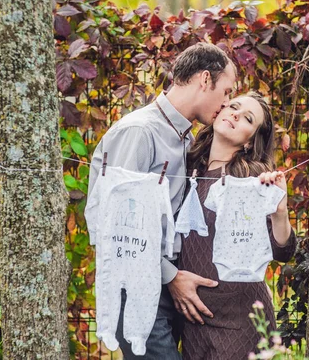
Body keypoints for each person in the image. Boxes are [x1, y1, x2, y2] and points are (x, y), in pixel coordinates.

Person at [86, 42, 237, 359]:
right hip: (137, 288)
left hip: (169, 285)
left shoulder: (186, 137)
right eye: (226, 92)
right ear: (205, 79)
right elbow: (116, 229)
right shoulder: (140, 132)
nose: (227, 104)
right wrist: (171, 277)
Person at [178, 92, 297, 360]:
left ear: (249, 141)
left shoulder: (250, 178)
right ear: (218, 112)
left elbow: (282, 253)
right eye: (233, 107)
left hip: (240, 322)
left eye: (247, 118)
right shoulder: (186, 167)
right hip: (194, 321)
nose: (234, 114)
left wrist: (280, 212)